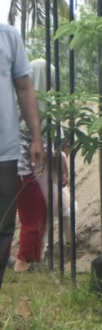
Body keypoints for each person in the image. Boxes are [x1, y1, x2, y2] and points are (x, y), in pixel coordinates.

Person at [0, 20, 44, 292]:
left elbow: (25, 87)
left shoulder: (8, 36)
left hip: (4, 151)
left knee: (4, 226)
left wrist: (36, 137)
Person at [12, 57, 48, 273]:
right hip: (25, 172)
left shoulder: (14, 109)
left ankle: (29, 260)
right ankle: (24, 261)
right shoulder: (37, 115)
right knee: (33, 214)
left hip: (12, 169)